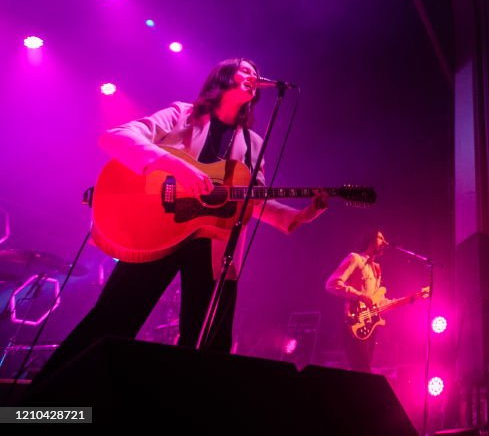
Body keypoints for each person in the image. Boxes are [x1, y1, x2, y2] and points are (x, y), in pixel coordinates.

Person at [34, 57, 329, 381]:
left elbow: (250, 200)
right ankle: (44, 399)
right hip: (158, 227)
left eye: (256, 73)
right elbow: (117, 136)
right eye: (245, 69)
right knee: (115, 317)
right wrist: (176, 166)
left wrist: (299, 214)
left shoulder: (252, 143)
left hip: (214, 243)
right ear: (223, 76)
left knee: (210, 339)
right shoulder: (182, 114)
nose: (253, 75)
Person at [325, 229, 388, 372]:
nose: (384, 242)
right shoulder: (355, 258)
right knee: (362, 370)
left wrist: (410, 299)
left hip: (370, 326)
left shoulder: (377, 269)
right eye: (380, 238)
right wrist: (359, 295)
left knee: (364, 370)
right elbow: (332, 284)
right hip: (353, 322)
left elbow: (376, 301)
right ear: (371, 240)